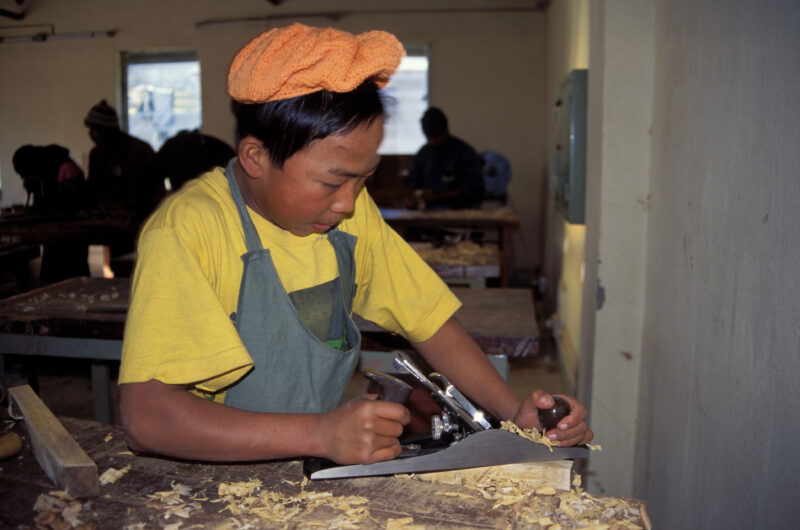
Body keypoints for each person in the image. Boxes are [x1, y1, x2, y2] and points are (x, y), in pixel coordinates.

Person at [119, 23, 593, 466]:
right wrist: (321, 436)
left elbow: (429, 322)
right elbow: (147, 418)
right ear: (255, 158)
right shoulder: (191, 230)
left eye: (364, 179)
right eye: (332, 183)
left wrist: (515, 411)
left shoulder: (347, 214)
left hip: (308, 465)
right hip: (209, 477)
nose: (349, 203)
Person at [12, 144, 91, 282]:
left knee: (74, 280)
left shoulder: (65, 168)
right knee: (53, 279)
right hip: (54, 239)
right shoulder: (43, 173)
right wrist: (33, 191)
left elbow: (72, 205)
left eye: (25, 173)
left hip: (72, 238)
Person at [83, 99, 158, 218]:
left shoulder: (139, 151)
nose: (90, 133)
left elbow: (150, 191)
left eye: (93, 128)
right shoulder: (97, 155)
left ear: (105, 130)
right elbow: (94, 189)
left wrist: (125, 206)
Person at [404, 107, 484, 210]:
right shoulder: (424, 153)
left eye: (436, 138)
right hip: (424, 214)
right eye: (429, 138)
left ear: (445, 132)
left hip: (458, 215)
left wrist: (439, 195)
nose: (432, 143)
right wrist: (415, 196)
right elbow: (412, 183)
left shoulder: (464, 153)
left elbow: (474, 190)